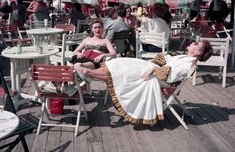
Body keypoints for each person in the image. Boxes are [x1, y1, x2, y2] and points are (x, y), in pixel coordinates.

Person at [74, 40, 213, 124]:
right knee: (121, 62)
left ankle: (89, 73)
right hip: (152, 70)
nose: (192, 42)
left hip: (156, 79)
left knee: (124, 72)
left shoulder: (189, 64)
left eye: (196, 44)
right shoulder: (185, 58)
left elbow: (170, 76)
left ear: (197, 52)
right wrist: (159, 61)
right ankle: (90, 73)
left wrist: (152, 70)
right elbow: (168, 63)